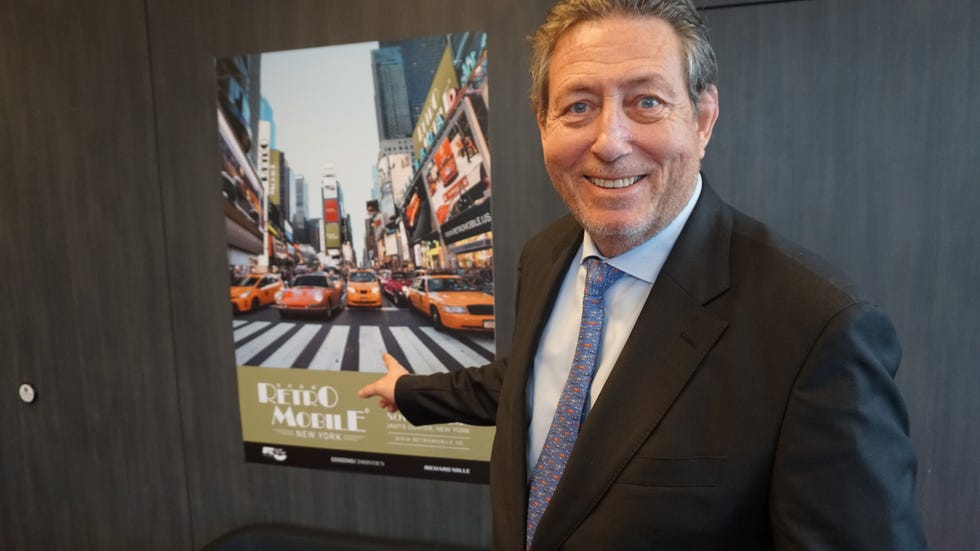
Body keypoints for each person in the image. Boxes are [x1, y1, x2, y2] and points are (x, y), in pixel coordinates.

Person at [359, 1, 926, 549]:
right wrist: (408, 391)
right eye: (578, 106)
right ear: (542, 123)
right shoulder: (545, 255)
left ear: (703, 119)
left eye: (647, 102)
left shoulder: (817, 330)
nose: (609, 142)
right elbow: (533, 382)